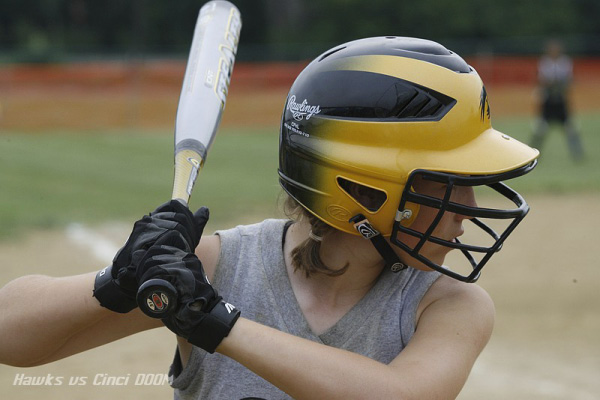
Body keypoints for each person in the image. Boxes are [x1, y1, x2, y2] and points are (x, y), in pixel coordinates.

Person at [0, 37, 539, 399]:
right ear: (361, 186)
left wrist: (213, 322)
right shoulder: (223, 266)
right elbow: (9, 333)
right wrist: (119, 280)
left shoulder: (447, 306)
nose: (468, 208)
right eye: (451, 184)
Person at [530, 39, 584, 160]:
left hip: (561, 101)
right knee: (540, 129)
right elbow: (543, 80)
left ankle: (578, 155)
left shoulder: (565, 62)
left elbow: (569, 80)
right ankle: (532, 154)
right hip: (548, 102)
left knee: (570, 128)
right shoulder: (544, 62)